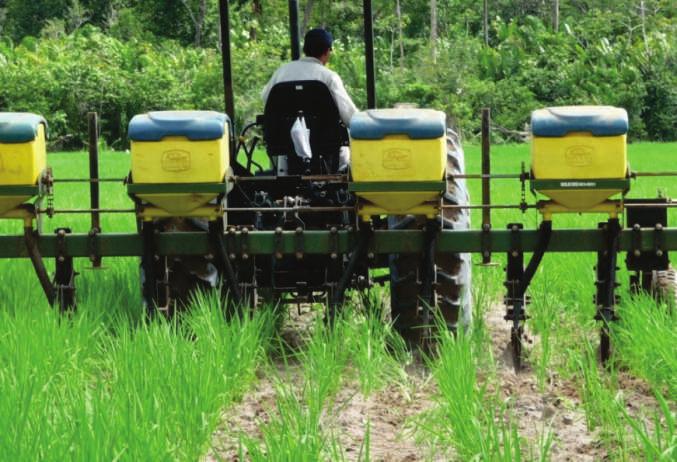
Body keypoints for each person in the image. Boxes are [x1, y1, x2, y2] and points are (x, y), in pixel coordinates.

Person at [262, 28, 358, 128]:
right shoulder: (329, 77)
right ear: (327, 51)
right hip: (324, 141)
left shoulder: (280, 73)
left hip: (282, 139)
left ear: (305, 50)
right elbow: (350, 117)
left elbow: (266, 101)